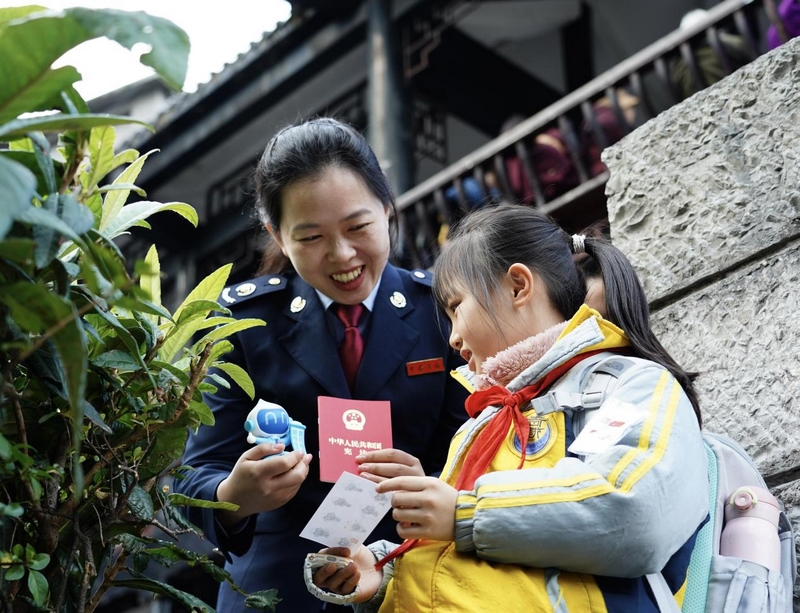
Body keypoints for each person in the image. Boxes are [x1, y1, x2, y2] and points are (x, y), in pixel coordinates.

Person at [310, 203, 709, 612]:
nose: (452, 338)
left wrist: (464, 512)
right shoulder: (478, 425)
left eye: (455, 307)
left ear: (518, 285)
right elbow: (468, 564)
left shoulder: (627, 384)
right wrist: (382, 575)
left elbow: (635, 513)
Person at [174, 117, 469, 612]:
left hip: (412, 574)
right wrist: (236, 493)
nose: (342, 254)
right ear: (277, 234)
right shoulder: (242, 323)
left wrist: (430, 484)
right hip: (275, 589)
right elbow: (195, 474)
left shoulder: (441, 310)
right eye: (311, 238)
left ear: (387, 208)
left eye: (358, 227)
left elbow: (482, 453)